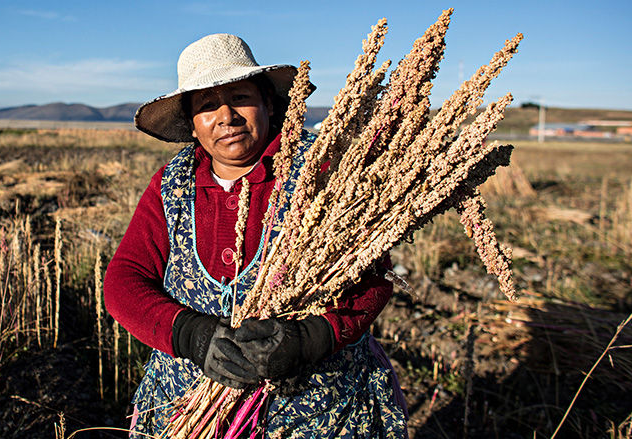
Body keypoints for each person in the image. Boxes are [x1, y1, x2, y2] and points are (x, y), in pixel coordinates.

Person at [104, 33, 408, 438]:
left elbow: (373, 273)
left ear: (268, 103)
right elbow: (124, 280)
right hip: (189, 399)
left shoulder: (321, 170)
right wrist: (190, 335)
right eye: (207, 106)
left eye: (240, 98)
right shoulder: (172, 186)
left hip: (319, 410)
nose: (226, 116)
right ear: (193, 125)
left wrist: (310, 339)